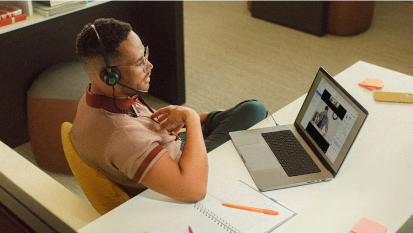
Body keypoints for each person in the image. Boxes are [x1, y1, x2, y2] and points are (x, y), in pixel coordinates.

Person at [72, 18, 267, 202]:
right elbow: (194, 190)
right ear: (109, 76)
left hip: (170, 144)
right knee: (255, 112)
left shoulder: (95, 97)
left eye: (145, 54)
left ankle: (207, 122)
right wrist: (190, 118)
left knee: (250, 110)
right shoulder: (124, 136)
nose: (149, 65)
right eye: (139, 62)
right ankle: (206, 123)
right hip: (182, 167)